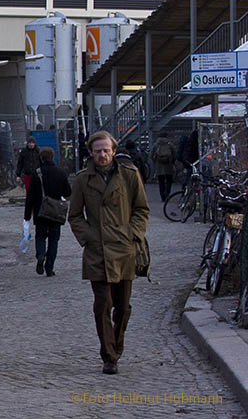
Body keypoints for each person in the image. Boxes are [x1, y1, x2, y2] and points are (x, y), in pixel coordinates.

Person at [68, 131, 149, 375]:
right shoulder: (83, 180)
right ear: (91, 153)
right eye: (97, 151)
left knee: (122, 307)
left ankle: (117, 342)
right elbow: (74, 215)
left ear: (113, 151)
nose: (102, 155)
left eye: (106, 150)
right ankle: (109, 355)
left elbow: (141, 209)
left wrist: (133, 233)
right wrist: (89, 238)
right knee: (102, 304)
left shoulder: (129, 175)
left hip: (124, 250)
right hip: (98, 252)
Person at [23, 146, 71, 277]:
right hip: (55, 212)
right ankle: (49, 268)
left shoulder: (37, 174)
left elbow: (30, 196)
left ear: (41, 158)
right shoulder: (60, 173)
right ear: (52, 156)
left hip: (40, 211)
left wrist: (27, 215)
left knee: (40, 236)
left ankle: (40, 255)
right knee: (54, 240)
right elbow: (68, 192)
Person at [152, 132, 176, 201]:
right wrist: (172, 162)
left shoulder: (156, 145)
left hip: (159, 166)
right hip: (168, 165)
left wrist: (156, 162)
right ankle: (167, 193)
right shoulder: (170, 144)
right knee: (169, 180)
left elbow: (152, 155)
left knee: (161, 182)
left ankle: (162, 196)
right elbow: (174, 154)